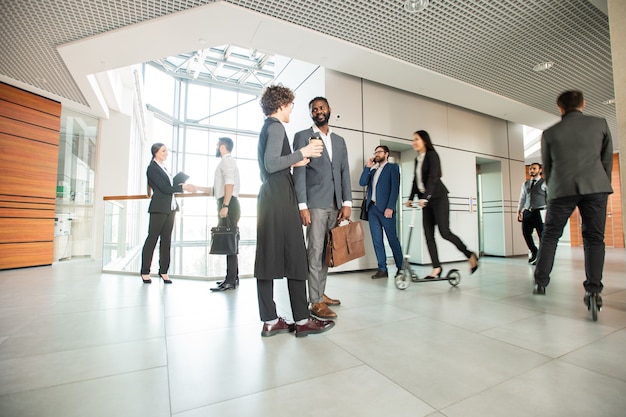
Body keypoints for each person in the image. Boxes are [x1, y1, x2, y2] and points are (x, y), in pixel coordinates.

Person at [255, 84, 335, 338]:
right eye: (290, 104)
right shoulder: (277, 126)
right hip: (281, 199)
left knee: (267, 259)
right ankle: (301, 320)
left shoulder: (266, 128)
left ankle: (270, 320)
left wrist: (294, 161)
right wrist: (303, 152)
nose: (292, 109)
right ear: (281, 105)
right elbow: (271, 163)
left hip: (270, 196)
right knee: (296, 258)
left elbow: (268, 167)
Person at [533, 90, 613, 309]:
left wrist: (555, 187)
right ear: (583, 104)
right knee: (594, 239)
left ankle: (540, 282)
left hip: (562, 189)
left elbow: (547, 169)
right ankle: (593, 290)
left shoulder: (549, 133)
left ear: (560, 108)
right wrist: (602, 184)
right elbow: (606, 159)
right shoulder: (600, 124)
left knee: (550, 235)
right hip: (596, 186)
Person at [293, 97, 352, 320]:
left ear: (329, 110)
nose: (319, 111)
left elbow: (344, 172)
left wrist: (346, 203)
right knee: (315, 251)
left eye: (322, 108)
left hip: (335, 204)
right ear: (310, 114)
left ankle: (320, 293)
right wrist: (302, 205)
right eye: (314, 109)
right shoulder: (302, 136)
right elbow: (299, 172)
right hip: (315, 204)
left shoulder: (339, 140)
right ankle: (315, 301)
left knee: (327, 251)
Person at [405, 130, 478, 279]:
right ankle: (436, 268)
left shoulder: (432, 155)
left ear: (424, 140)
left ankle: (469, 254)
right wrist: (411, 198)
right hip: (425, 201)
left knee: (445, 232)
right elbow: (415, 180)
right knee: (428, 235)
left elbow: (433, 178)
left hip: (438, 198)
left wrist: (425, 197)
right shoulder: (417, 159)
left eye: (416, 139)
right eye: (413, 140)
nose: (414, 142)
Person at [140, 143, 195, 284]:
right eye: (163, 151)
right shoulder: (152, 168)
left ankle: (163, 271)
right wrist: (183, 188)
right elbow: (164, 188)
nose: (166, 153)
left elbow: (169, 186)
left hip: (170, 208)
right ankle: (145, 271)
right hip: (159, 208)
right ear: (156, 152)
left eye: (166, 151)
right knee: (152, 239)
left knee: (166, 241)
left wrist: (179, 184)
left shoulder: (164, 168)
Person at [359, 145, 404, 279]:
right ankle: (382, 269)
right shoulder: (372, 171)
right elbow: (362, 182)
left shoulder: (393, 168)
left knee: (392, 240)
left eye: (379, 152)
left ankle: (401, 267)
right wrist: (367, 167)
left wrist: (390, 207)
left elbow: (395, 188)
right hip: (372, 210)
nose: (376, 154)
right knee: (377, 241)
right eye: (375, 152)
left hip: (386, 210)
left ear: (386, 154)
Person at [210, 137, 241, 292]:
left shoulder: (226, 162)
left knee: (230, 242)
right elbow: (220, 187)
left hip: (228, 204)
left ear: (222, 147)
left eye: (217, 145)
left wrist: (225, 206)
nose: (216, 147)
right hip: (227, 202)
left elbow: (229, 184)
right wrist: (195, 188)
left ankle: (230, 280)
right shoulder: (226, 162)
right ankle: (233, 277)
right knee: (231, 241)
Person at [517, 162, 547, 265]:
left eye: (534, 168)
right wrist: (519, 210)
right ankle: (534, 251)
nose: (531, 170)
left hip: (540, 212)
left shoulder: (545, 183)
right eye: (530, 169)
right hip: (527, 212)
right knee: (526, 233)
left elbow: (550, 198)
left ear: (540, 170)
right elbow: (522, 198)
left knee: (542, 235)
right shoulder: (525, 184)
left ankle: (542, 257)